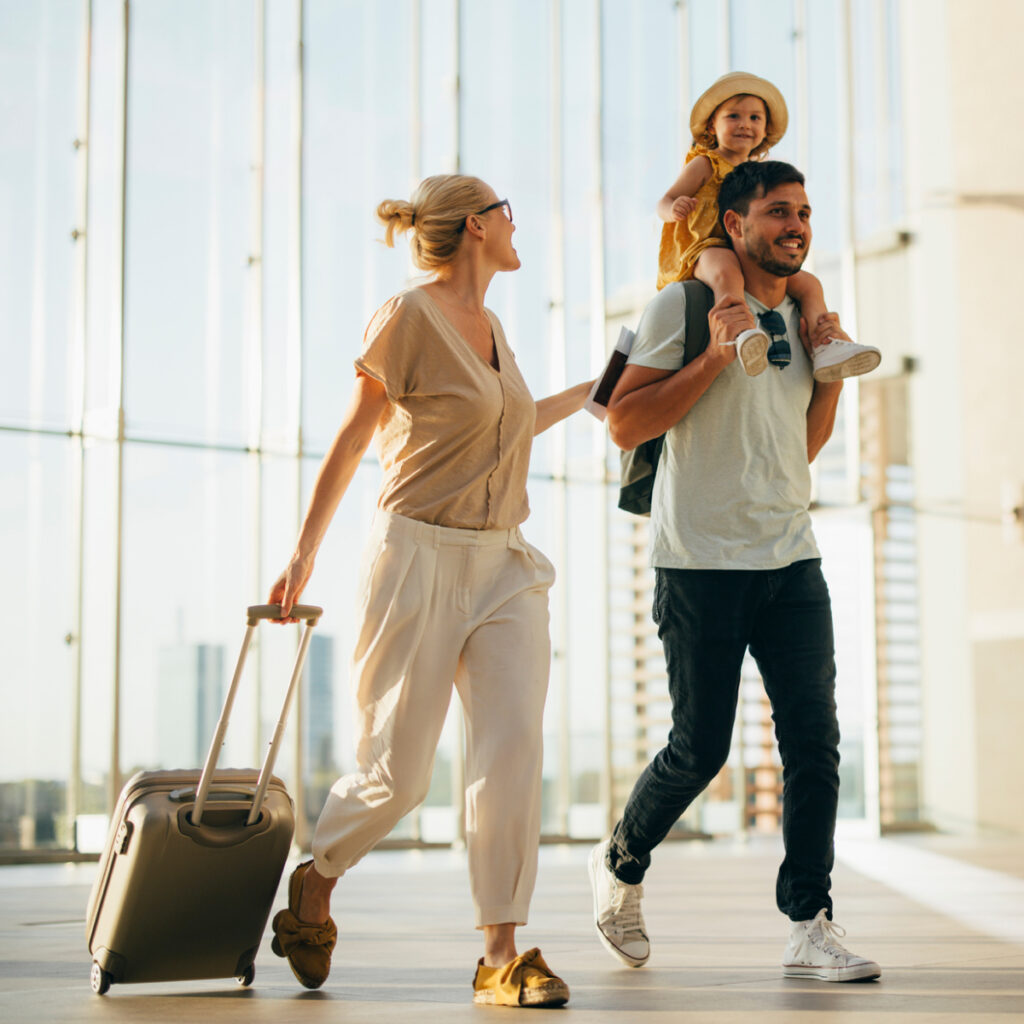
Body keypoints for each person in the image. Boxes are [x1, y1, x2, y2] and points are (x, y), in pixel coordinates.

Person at [266, 174, 592, 1008]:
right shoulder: (408, 317)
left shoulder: (495, 328)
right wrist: (304, 553)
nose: (518, 226)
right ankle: (319, 874)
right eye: (508, 212)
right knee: (398, 773)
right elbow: (352, 436)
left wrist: (596, 390)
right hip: (416, 556)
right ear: (478, 226)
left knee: (512, 747)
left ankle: (501, 954)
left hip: (504, 565)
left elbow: (508, 425)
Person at [591, 160, 881, 983]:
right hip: (701, 563)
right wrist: (716, 360)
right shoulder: (683, 306)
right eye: (780, 212)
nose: (797, 225)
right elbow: (622, 423)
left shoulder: (803, 314)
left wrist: (830, 378)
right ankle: (618, 862)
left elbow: (802, 445)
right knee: (699, 747)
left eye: (806, 213)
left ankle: (809, 921)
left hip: (792, 558)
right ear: (735, 225)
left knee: (814, 743)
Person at [656, 71, 880, 383]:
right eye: (733, 116)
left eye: (755, 118)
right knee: (726, 272)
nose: (745, 124)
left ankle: (826, 342)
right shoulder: (705, 163)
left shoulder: (759, 174)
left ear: (765, 129)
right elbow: (666, 199)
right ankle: (740, 330)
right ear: (711, 126)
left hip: (748, 250)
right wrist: (674, 209)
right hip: (707, 246)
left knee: (810, 285)